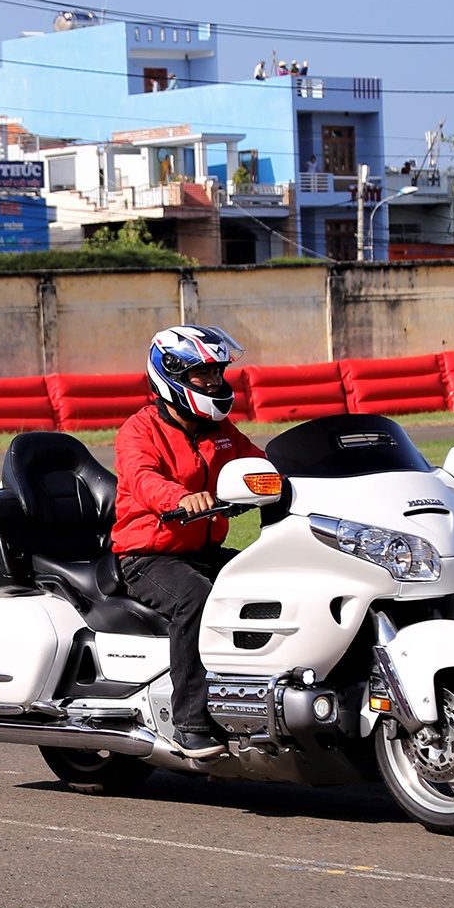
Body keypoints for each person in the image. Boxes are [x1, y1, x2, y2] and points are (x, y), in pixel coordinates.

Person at [111, 325, 266, 759]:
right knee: (196, 600)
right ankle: (190, 723)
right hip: (147, 557)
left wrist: (292, 478)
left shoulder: (219, 430)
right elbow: (143, 478)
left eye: (218, 372)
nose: (215, 381)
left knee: (268, 583)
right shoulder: (139, 430)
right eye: (204, 373)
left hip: (202, 551)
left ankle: (252, 699)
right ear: (171, 375)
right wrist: (180, 498)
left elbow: (258, 462)